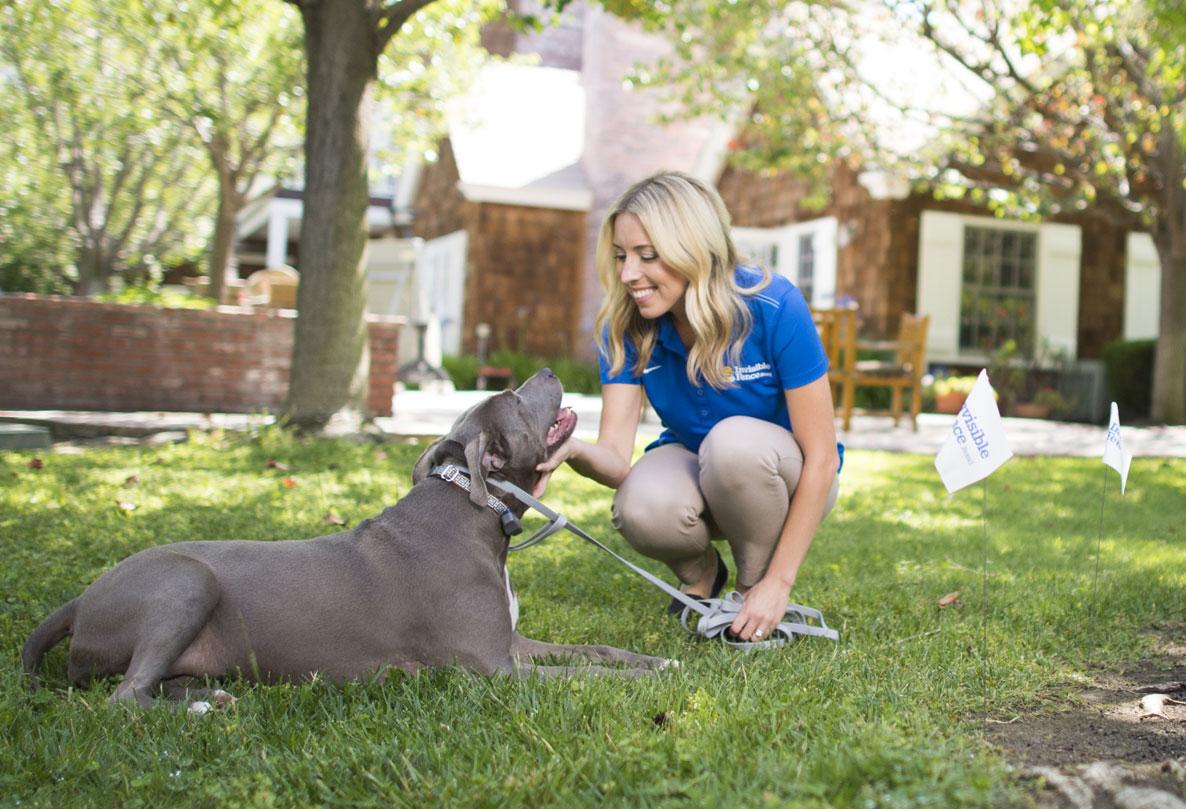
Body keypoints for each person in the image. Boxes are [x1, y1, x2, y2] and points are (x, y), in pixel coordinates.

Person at [535, 171, 842, 644]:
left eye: (647, 256)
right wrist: (572, 449)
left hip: (784, 479)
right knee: (640, 503)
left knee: (733, 444)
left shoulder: (774, 303)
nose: (627, 274)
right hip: (700, 467)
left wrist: (778, 583)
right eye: (621, 256)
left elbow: (821, 457)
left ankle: (751, 590)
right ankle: (702, 577)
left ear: (693, 248)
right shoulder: (624, 325)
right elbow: (617, 460)